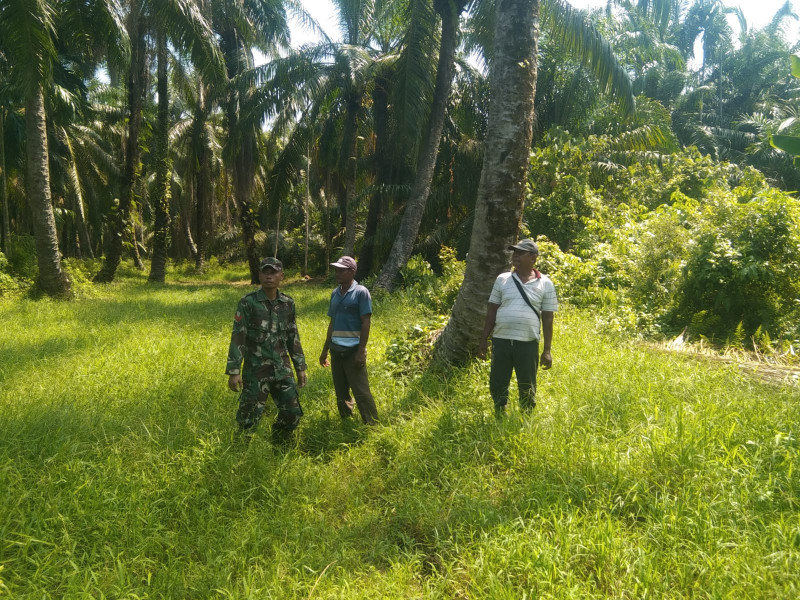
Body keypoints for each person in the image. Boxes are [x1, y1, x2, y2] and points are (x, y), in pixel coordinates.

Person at [226, 257, 307, 441]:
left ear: (281, 276)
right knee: (248, 419)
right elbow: (238, 336)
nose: (269, 276)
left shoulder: (287, 304)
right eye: (265, 272)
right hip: (256, 370)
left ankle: (278, 444)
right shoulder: (248, 303)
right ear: (259, 275)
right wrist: (234, 371)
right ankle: (239, 454)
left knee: (292, 413)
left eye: (273, 272)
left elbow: (292, 336)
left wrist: (300, 367)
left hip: (282, 368)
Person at [477, 239, 558, 413]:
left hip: (527, 343)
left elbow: (548, 318)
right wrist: (484, 340)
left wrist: (547, 350)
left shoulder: (545, 283)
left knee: (527, 382)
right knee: (498, 380)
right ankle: (499, 412)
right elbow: (492, 311)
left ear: (533, 258)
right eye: (515, 252)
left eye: (521, 253)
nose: (516, 256)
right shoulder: (502, 279)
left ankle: (526, 415)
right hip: (501, 340)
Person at [319, 256, 379, 425]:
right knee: (341, 391)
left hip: (353, 350)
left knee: (361, 391)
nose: (337, 273)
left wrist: (361, 351)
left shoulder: (361, 292)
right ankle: (347, 421)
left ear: (352, 271)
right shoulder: (335, 293)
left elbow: (365, 321)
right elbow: (332, 322)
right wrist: (325, 350)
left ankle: (372, 424)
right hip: (336, 350)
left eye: (341, 270)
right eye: (336, 269)